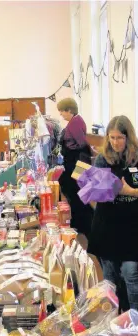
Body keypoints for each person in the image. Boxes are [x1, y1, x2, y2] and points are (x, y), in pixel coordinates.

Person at [88, 115, 138, 311]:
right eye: (112, 137)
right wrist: (93, 190)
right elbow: (94, 196)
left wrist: (130, 192)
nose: (115, 142)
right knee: (109, 276)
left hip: (132, 226)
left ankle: (134, 320)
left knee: (130, 272)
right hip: (107, 225)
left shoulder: (137, 157)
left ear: (128, 137)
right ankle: (111, 317)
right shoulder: (102, 159)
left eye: (120, 138)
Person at [57, 98, 94, 238]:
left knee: (77, 193)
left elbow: (81, 145)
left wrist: (79, 171)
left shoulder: (76, 122)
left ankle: (82, 225)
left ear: (69, 110)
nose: (61, 115)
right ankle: (78, 223)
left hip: (77, 164)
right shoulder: (74, 122)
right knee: (74, 192)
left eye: (62, 112)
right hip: (74, 162)